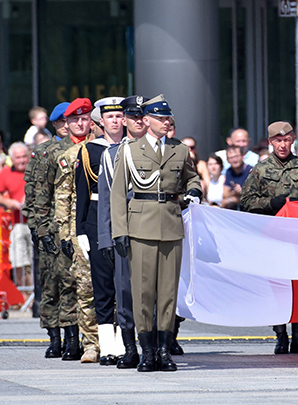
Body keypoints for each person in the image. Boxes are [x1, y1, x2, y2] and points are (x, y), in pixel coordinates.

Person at [110, 94, 202, 372]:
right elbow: (117, 195)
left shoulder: (180, 149)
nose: (166, 122)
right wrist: (120, 232)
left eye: (168, 118)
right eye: (161, 118)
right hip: (140, 226)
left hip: (171, 225)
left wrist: (195, 190)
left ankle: (163, 350)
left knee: (168, 293)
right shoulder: (129, 151)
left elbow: (191, 177)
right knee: (143, 292)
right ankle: (146, 351)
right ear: (146, 120)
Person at [241, 121, 298, 355]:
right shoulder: (260, 170)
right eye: (278, 140)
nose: (282, 144)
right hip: (272, 236)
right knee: (277, 287)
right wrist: (271, 203)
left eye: (286, 140)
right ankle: (281, 336)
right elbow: (246, 203)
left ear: (293, 140)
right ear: (270, 142)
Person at [34, 98, 92, 361]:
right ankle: (62, 338)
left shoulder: (94, 147)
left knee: (83, 285)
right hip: (60, 227)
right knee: (58, 284)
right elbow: (41, 195)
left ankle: (83, 338)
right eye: (70, 120)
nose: (77, 124)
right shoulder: (52, 153)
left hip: (86, 224)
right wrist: (42, 230)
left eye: (84, 118)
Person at [75, 96, 127, 366]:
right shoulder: (90, 151)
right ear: (101, 121)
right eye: (110, 117)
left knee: (125, 286)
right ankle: (107, 346)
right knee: (103, 284)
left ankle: (125, 344)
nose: (116, 121)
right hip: (97, 220)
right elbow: (82, 193)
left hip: (127, 221)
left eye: (120, 116)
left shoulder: (132, 148)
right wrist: (81, 228)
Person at [97, 95, 146, 369]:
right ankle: (129, 347)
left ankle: (155, 345)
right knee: (124, 292)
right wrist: (107, 237)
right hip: (124, 233)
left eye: (142, 116)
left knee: (154, 293)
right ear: (125, 120)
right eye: (133, 116)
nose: (138, 121)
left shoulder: (162, 151)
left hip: (152, 232)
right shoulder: (112, 154)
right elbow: (106, 200)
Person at [21, 101, 69, 358]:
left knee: (77, 285)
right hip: (49, 225)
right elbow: (34, 194)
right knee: (51, 284)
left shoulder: (84, 148)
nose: (65, 125)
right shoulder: (43, 152)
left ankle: (76, 337)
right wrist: (37, 227)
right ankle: (54, 336)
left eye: (68, 120)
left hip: (72, 225)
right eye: (60, 122)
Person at [55, 127, 99, 364]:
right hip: (78, 229)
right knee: (86, 287)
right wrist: (65, 234)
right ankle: (90, 343)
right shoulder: (74, 155)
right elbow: (63, 196)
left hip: (104, 225)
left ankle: (112, 341)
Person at [0, 142, 32, 298]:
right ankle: (25, 297)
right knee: (19, 262)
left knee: (38, 261)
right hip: (18, 223)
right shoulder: (5, 173)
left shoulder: (35, 170)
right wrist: (8, 202)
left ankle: (38, 297)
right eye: (18, 157)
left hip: (37, 222)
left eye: (24, 156)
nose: (22, 160)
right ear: (11, 159)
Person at [222, 145, 252, 209]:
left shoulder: (251, 171)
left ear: (242, 156)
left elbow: (252, 197)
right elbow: (225, 194)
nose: (235, 160)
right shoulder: (229, 172)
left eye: (236, 156)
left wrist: (241, 192)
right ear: (227, 160)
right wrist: (235, 193)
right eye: (231, 158)